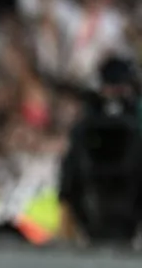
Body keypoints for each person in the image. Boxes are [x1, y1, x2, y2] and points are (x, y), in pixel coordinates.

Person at [58, 55, 142, 249]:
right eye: (113, 87)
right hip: (91, 217)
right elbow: (70, 184)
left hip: (129, 222)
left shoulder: (135, 130)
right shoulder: (84, 130)